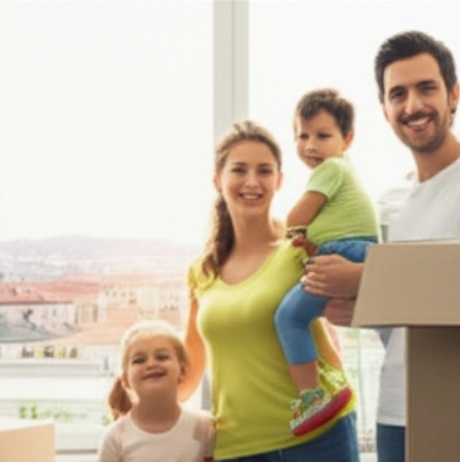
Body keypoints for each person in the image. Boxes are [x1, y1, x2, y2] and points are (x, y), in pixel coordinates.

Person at [301, 31, 460, 462]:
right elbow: (405, 317)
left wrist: (368, 277)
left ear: (453, 94)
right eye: (398, 94)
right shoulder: (391, 204)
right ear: (385, 110)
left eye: (426, 88)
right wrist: (366, 306)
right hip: (397, 410)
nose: (412, 105)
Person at [180, 120, 360, 462]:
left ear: (279, 181)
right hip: (237, 447)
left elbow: (349, 313)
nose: (252, 182)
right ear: (218, 181)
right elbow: (191, 360)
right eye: (239, 170)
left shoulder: (302, 248)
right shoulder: (200, 272)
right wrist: (143, 417)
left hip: (320, 439)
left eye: (264, 171)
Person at [274, 88, 378, 437]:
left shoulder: (330, 169)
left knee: (288, 317)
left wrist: (285, 238)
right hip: (355, 251)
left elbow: (294, 217)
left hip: (346, 251)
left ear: (346, 139)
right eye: (302, 136)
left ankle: (311, 396)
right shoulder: (342, 169)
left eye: (322, 135)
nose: (310, 146)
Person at [100, 320, 214, 462]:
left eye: (162, 357)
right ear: (125, 380)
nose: (151, 364)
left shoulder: (205, 428)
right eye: (139, 360)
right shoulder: (115, 439)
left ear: (182, 371)